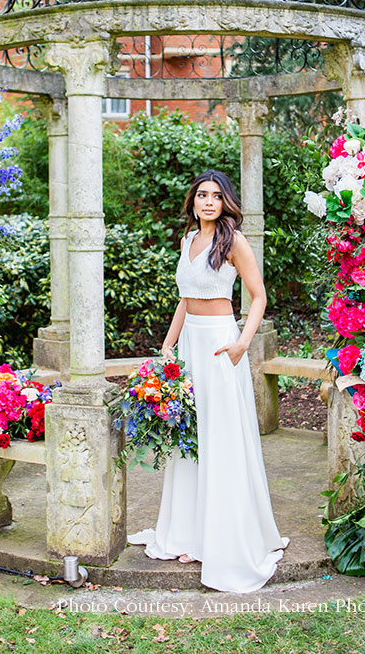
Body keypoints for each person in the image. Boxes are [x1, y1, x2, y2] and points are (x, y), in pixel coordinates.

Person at [127, 169, 290, 594]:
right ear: (193, 201)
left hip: (220, 345)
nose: (209, 202)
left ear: (226, 202)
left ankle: (221, 539)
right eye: (202, 195)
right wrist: (168, 344)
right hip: (189, 349)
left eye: (217, 196)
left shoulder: (233, 241)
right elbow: (186, 300)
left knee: (218, 440)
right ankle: (189, 534)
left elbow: (259, 296)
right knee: (190, 441)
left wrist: (242, 344)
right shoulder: (188, 241)